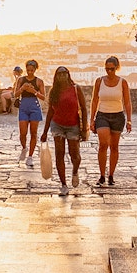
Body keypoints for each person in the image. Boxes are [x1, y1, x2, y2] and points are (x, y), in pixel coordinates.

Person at [40, 66, 88, 196]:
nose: (62, 76)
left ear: (68, 75)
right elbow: (51, 111)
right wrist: (45, 132)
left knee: (74, 155)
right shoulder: (54, 91)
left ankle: (75, 171)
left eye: (64, 73)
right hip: (57, 125)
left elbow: (83, 109)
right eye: (59, 74)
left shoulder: (76, 89)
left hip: (73, 125)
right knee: (59, 154)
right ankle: (63, 184)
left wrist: (84, 129)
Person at [89, 55, 132, 186]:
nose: (109, 71)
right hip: (102, 115)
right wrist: (91, 119)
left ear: (117, 68)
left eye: (112, 69)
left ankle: (111, 175)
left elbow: (127, 102)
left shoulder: (122, 82)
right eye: (107, 69)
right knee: (103, 144)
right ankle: (101, 175)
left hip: (118, 116)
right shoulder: (99, 81)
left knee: (114, 146)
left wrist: (129, 120)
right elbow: (95, 100)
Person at [13, 59, 46, 167]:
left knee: (33, 132)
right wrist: (22, 89)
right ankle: (24, 147)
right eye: (28, 70)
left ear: (35, 69)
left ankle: (30, 156)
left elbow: (44, 97)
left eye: (32, 70)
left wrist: (34, 92)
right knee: (23, 132)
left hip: (34, 107)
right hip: (23, 106)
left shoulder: (39, 81)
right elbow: (15, 95)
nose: (30, 72)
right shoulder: (21, 80)